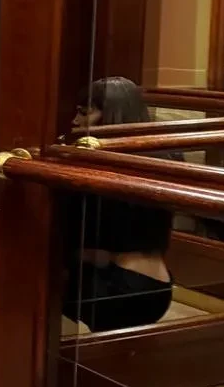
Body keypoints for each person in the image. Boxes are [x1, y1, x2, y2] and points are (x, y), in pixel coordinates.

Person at [64, 76, 174, 331]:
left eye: (84, 113)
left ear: (111, 115)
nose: (75, 121)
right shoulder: (162, 156)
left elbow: (92, 247)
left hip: (118, 288)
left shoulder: (105, 172)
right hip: (161, 286)